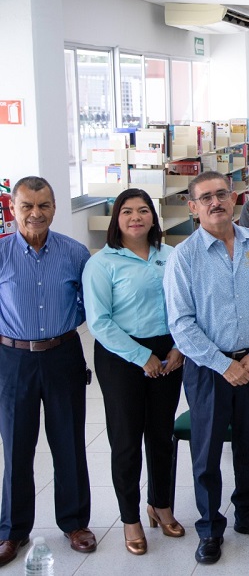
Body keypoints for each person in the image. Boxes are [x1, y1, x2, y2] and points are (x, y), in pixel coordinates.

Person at [164, 171, 249, 565]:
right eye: (206, 197)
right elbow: (181, 323)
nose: (215, 202)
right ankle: (210, 527)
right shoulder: (184, 257)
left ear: (235, 199)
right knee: (207, 452)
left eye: (221, 194)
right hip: (207, 370)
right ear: (193, 207)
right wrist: (222, 364)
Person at [83, 188, 186, 556]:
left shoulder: (170, 256)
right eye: (127, 211)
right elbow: (99, 322)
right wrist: (142, 357)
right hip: (121, 357)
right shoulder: (102, 263)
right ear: (117, 219)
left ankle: (160, 505)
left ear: (153, 218)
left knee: (161, 435)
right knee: (126, 441)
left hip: (169, 353)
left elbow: (185, 306)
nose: (136, 217)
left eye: (143, 210)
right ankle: (130, 518)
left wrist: (179, 347)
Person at [0, 176, 94, 566]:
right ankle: (12, 531)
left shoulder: (75, 253)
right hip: (13, 359)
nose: (35, 214)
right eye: (27, 206)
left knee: (69, 441)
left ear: (55, 208)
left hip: (63, 354)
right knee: (16, 446)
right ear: (13, 209)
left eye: (44, 205)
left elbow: (90, 304)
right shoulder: (2, 253)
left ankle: (75, 523)